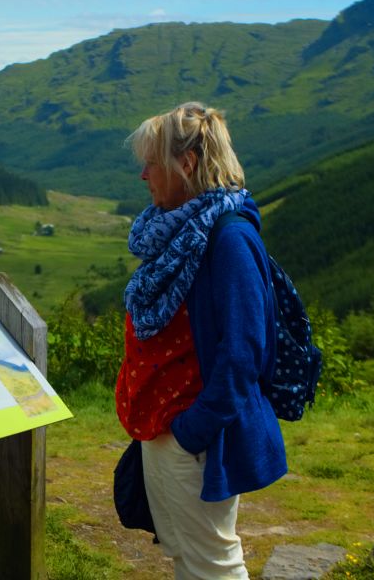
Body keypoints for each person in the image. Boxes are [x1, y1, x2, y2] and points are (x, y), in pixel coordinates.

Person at [115, 101, 286, 579]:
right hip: (163, 427)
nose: (144, 175)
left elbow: (243, 352)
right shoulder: (181, 230)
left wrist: (192, 432)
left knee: (213, 563)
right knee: (184, 555)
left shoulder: (228, 239)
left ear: (185, 164)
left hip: (193, 437)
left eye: (151, 162)